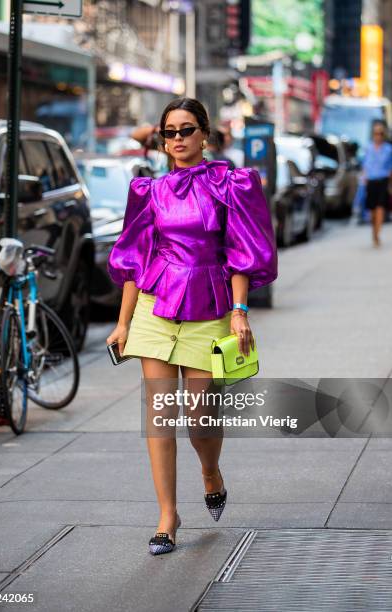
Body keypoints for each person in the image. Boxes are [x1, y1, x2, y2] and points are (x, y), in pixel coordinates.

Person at [106, 97, 278, 555]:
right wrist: (123, 324)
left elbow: (241, 254)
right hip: (154, 309)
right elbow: (134, 263)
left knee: (200, 416)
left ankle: (210, 471)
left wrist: (240, 311)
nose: (178, 139)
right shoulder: (150, 191)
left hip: (210, 309)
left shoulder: (231, 184)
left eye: (186, 130)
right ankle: (168, 516)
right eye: (169, 132)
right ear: (162, 140)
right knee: (160, 417)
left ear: (205, 133)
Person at [362, 120, 392, 246]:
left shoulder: (388, 149)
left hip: (383, 180)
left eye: (380, 133)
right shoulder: (368, 148)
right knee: (372, 210)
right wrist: (364, 177)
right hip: (371, 181)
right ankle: (374, 231)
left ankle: (377, 234)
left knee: (380, 207)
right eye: (376, 133)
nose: (378, 136)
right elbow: (365, 164)